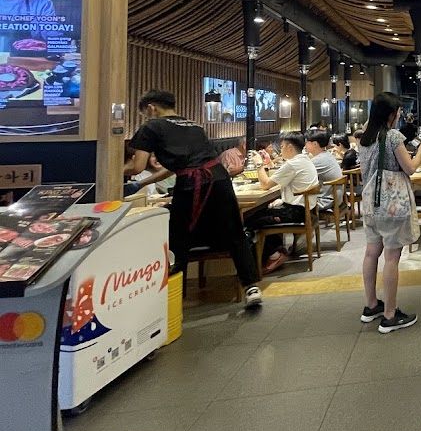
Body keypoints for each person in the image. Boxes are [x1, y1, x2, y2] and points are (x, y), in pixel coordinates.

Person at [126, 90, 263, 308]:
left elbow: (137, 166)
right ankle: (251, 288)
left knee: (178, 238)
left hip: (191, 185)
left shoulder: (151, 127)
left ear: (151, 108)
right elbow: (177, 167)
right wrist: (142, 184)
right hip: (219, 179)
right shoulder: (195, 126)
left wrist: (116, 172)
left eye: (145, 113)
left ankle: (172, 298)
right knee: (235, 232)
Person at [357, 92, 421, 333]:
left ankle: (371, 306)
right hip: (391, 204)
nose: (400, 115)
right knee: (391, 258)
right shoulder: (393, 136)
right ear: (391, 114)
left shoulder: (365, 136)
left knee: (371, 253)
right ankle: (389, 314)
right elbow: (409, 168)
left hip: (369, 203)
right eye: (398, 111)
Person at [246, 131, 319, 273]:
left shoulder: (292, 164)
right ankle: (276, 251)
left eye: (282, 146)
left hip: (296, 212)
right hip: (305, 209)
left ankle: (273, 255)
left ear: (290, 147)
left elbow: (265, 184)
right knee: (264, 212)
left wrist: (259, 164)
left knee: (251, 219)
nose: (281, 149)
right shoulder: (304, 160)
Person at [305, 128, 343, 211]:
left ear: (315, 144)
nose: (305, 144)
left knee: (292, 203)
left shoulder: (318, 160)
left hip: (326, 200)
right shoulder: (326, 155)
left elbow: (300, 176)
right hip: (335, 197)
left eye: (307, 142)